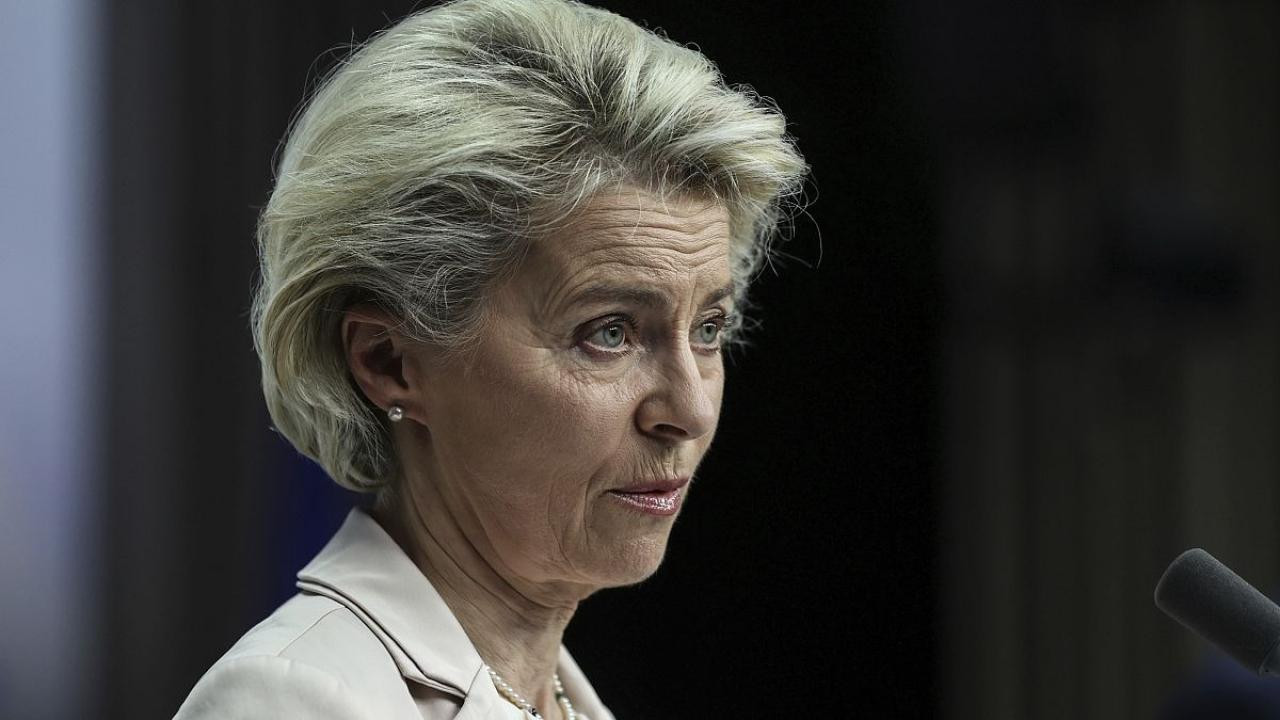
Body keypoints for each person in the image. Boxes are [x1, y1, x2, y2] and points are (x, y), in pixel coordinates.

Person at [175, 0, 806, 717]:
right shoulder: (291, 698)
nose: (689, 411)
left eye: (708, 328)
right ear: (389, 362)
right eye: (609, 333)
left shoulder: (557, 697)